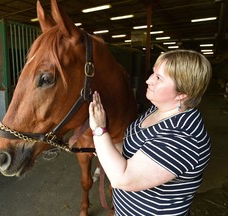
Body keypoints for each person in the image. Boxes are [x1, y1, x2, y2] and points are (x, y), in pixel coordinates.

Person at [89, 49, 212, 215]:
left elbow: (122, 179)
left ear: (183, 94)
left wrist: (99, 130)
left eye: (159, 78)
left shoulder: (183, 138)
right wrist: (102, 148)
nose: (148, 80)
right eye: (153, 73)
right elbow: (132, 146)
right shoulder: (158, 109)